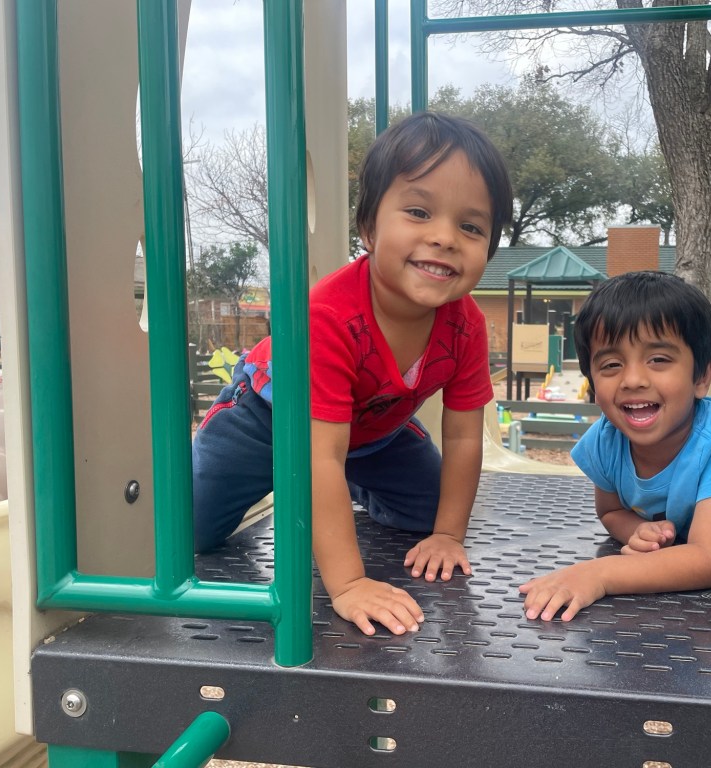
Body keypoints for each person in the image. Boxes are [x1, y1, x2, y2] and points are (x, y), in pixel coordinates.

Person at [193, 112, 513, 637]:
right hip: (264, 421)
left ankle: (341, 490)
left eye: (471, 226)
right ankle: (302, 491)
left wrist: (449, 535)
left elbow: (462, 436)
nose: (445, 237)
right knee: (194, 528)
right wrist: (347, 584)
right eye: (418, 211)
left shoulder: (466, 326)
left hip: (373, 430)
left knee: (429, 512)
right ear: (368, 228)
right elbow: (318, 454)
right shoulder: (327, 317)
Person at [519, 271, 711, 622]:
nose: (633, 380)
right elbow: (610, 512)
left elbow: (709, 560)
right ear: (592, 384)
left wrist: (599, 574)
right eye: (611, 365)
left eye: (658, 360)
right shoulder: (605, 440)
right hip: (684, 539)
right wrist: (637, 530)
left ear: (702, 377)